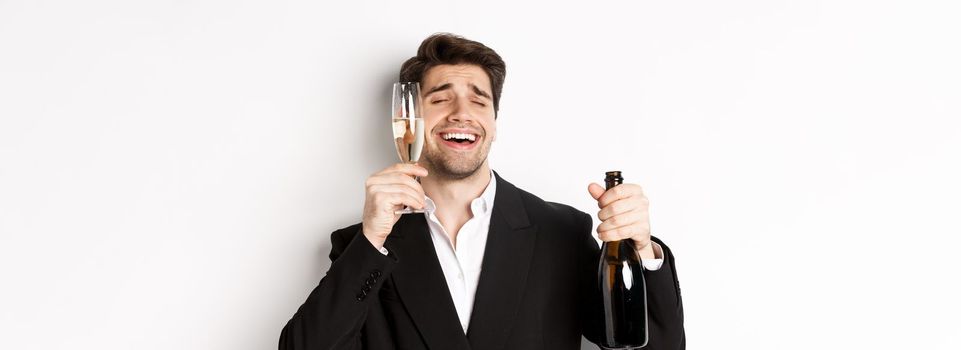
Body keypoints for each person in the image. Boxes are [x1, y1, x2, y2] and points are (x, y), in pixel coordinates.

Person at [279, 33, 685, 350]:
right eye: (440, 98)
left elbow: (655, 347)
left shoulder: (560, 232)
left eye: (479, 100)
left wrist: (643, 251)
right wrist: (370, 241)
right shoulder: (366, 244)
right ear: (412, 119)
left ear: (494, 121)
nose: (461, 113)